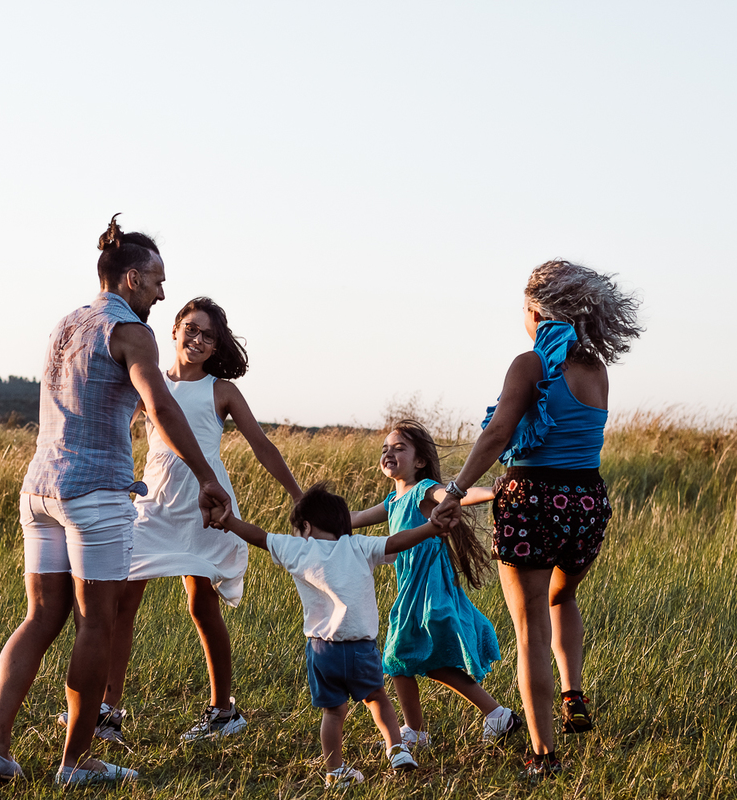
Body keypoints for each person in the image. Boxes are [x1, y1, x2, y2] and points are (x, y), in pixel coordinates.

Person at [0, 215, 233, 786]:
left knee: (40, 615)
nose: (164, 292)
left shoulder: (68, 323)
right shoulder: (132, 332)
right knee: (97, 621)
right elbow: (160, 405)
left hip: (40, 486)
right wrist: (208, 477)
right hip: (95, 494)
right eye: (158, 281)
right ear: (133, 278)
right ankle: (76, 761)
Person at [431, 259, 642, 780]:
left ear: (536, 311)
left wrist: (456, 490)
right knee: (562, 596)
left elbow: (499, 432)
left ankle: (543, 754)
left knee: (530, 629)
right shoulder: (597, 369)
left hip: (531, 498)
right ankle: (573, 693)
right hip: (587, 502)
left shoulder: (530, 364)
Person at [88, 296, 302, 743]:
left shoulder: (221, 390)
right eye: (191, 329)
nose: (198, 339)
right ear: (174, 330)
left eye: (208, 334)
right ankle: (107, 711)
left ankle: (223, 712)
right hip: (154, 505)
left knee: (202, 605)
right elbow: (116, 431)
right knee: (123, 600)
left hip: (207, 507)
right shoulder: (148, 382)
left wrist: (298, 496)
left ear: (216, 344)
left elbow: (263, 445)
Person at [216, 483, 437, 787]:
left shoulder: (298, 548)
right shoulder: (358, 545)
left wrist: (227, 520)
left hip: (322, 651)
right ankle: (397, 749)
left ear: (305, 526)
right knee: (378, 699)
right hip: (361, 647)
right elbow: (397, 541)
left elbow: (258, 536)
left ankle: (335, 770)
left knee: (333, 713)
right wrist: (431, 527)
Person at [350, 420, 522, 749]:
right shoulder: (392, 501)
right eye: (385, 449)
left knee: (402, 656)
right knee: (408, 660)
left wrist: (495, 491)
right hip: (411, 589)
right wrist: (316, 520)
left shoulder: (424, 489)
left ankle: (426, 730)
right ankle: (483, 718)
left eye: (399, 448)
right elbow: (354, 518)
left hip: (430, 588)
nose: (389, 453)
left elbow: (457, 494)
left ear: (419, 461)